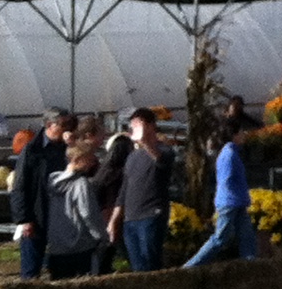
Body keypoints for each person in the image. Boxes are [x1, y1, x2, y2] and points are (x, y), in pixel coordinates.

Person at [184, 110, 259, 266]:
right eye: (241, 132)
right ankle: (190, 266)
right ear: (234, 135)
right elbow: (225, 180)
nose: (243, 134)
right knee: (220, 238)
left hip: (236, 203)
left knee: (247, 237)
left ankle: (251, 264)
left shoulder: (230, 153)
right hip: (230, 203)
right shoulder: (229, 154)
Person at [10, 108, 73, 279]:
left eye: (70, 124)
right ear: (49, 125)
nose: (68, 128)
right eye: (64, 124)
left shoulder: (68, 149)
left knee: (63, 268)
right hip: (37, 215)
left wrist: (74, 147)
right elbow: (20, 186)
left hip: (62, 216)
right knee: (31, 269)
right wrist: (24, 219)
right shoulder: (32, 150)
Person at [112, 108, 175, 271]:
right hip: (131, 218)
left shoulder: (165, 151)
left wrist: (145, 141)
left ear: (152, 126)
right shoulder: (132, 157)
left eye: (140, 125)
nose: (136, 128)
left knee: (150, 263)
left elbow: (161, 162)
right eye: (134, 125)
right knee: (137, 265)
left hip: (151, 215)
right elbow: (124, 190)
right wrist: (114, 219)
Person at [42, 136, 105, 279]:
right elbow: (88, 213)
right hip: (80, 246)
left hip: (56, 246)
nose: (93, 162)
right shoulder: (81, 184)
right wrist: (100, 236)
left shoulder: (52, 181)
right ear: (77, 159)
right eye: (89, 159)